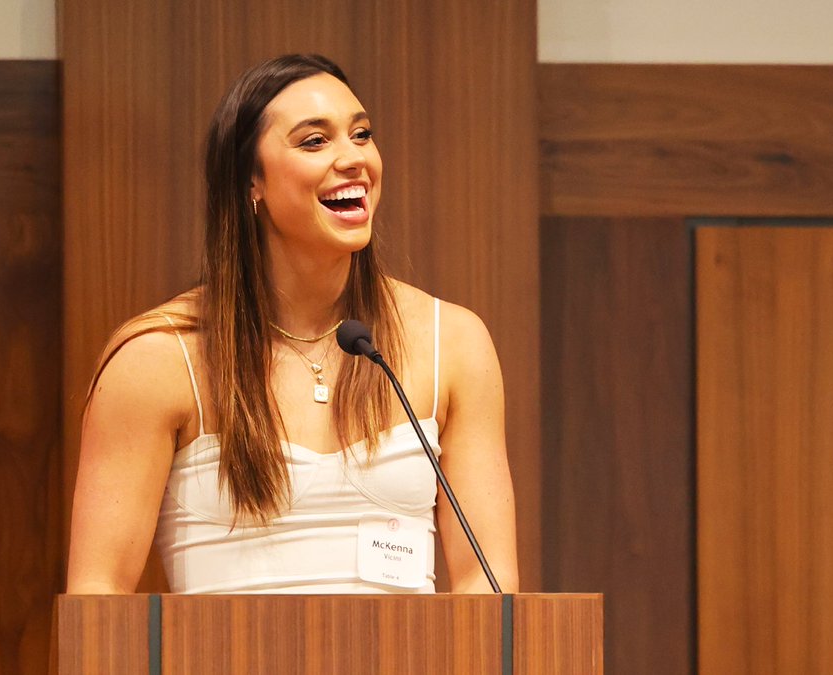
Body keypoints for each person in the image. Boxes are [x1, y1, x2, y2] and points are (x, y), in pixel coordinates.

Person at [65, 54, 519, 595]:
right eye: (314, 142)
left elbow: (488, 591)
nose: (353, 159)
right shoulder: (158, 359)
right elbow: (99, 597)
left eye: (361, 134)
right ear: (250, 181)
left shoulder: (453, 342)